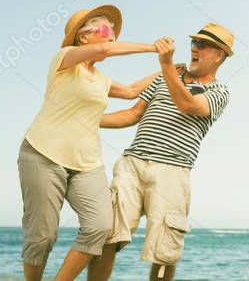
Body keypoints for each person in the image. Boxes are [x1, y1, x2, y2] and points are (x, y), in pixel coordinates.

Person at [18, 4, 166, 281]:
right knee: (42, 235)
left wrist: (169, 68)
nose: (111, 38)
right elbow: (104, 51)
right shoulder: (64, 59)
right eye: (106, 31)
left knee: (100, 226)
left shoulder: (101, 78)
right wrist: (152, 47)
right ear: (83, 37)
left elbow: (132, 91)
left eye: (113, 34)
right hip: (42, 154)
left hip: (87, 163)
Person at [91, 23, 235, 281]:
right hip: (132, 164)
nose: (194, 47)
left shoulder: (219, 92)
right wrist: (88, 118)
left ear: (219, 55)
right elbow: (132, 114)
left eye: (202, 45)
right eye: (193, 42)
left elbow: (188, 104)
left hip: (172, 171)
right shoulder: (164, 77)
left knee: (164, 251)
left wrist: (166, 65)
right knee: (107, 235)